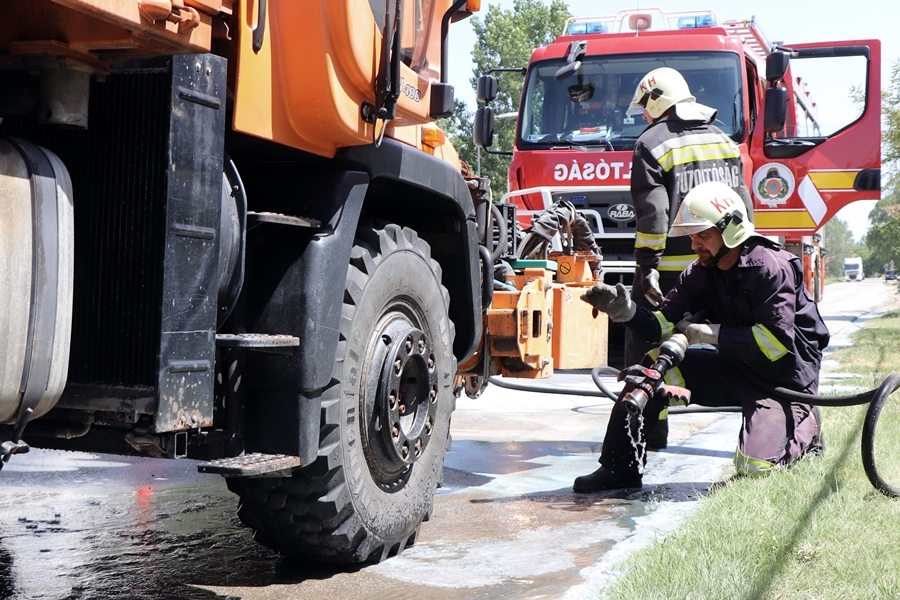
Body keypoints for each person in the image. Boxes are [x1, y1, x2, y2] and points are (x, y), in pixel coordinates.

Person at [573, 181, 829, 493]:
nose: (694, 244)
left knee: (755, 469)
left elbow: (774, 344)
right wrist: (624, 310)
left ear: (731, 230)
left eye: (702, 235)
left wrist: (708, 334)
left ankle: (807, 426)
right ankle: (618, 469)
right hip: (736, 368)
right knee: (650, 369)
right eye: (693, 236)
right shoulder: (701, 272)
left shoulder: (770, 268)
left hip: (784, 382)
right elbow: (662, 325)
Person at [624, 67, 753, 449]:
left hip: (671, 272)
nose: (644, 117)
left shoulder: (651, 143)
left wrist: (646, 268)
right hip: (722, 266)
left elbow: (654, 215)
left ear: (657, 100)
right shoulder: (724, 140)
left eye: (645, 108)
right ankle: (764, 422)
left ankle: (650, 431)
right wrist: (742, 259)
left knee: (646, 345)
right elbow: (743, 204)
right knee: (739, 343)